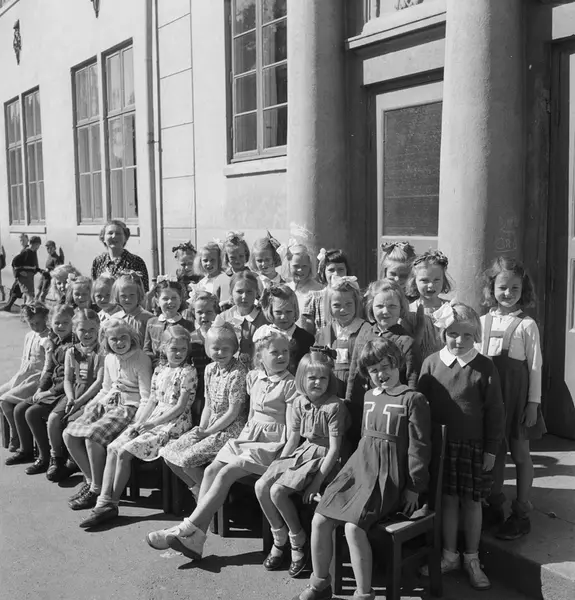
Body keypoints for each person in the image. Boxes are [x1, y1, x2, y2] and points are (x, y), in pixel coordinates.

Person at [292, 338, 431, 600]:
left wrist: (415, 486)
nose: (381, 374)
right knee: (320, 518)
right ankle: (320, 584)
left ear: (398, 364)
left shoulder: (413, 399)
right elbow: (365, 441)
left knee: (353, 527)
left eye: (386, 366)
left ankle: (363, 594)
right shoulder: (368, 397)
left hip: (388, 477)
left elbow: (420, 447)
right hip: (359, 469)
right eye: (374, 370)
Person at [146, 326, 298, 561]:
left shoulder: (290, 384)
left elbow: (291, 429)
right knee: (211, 470)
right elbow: (251, 417)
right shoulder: (254, 378)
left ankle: (186, 529)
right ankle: (197, 538)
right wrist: (239, 441)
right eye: (275, 352)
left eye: (285, 352)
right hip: (249, 438)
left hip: (271, 445)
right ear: (260, 356)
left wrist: (282, 460)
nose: (281, 356)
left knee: (226, 472)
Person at [418, 301, 504, 591]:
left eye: (467, 335)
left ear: (476, 336)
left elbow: (495, 412)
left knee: (471, 502)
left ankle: (472, 558)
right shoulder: (431, 363)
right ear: (443, 333)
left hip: (472, 447)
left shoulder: (485, 366)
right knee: (448, 501)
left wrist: (491, 450)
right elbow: (420, 406)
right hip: (442, 448)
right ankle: (449, 555)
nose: (459, 340)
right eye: (453, 333)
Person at [79, 326, 198, 528]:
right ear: (163, 348)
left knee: (124, 452)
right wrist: (138, 423)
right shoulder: (160, 370)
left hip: (173, 424)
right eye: (174, 349)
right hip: (153, 419)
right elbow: (151, 400)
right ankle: (103, 501)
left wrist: (152, 423)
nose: (178, 353)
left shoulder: (188, 372)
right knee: (113, 447)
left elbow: (180, 407)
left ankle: (111, 504)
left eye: (182, 349)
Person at [256, 349, 350, 578]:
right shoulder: (299, 402)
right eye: (312, 378)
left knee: (278, 491)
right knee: (261, 485)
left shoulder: (334, 407)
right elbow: (293, 439)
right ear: (301, 379)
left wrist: (316, 483)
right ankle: (279, 535)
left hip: (324, 459)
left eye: (323, 378)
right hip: (303, 453)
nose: (317, 382)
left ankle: (297, 540)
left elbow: (335, 450)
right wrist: (279, 464)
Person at [479, 257, 546, 540]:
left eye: (515, 288)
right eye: (502, 287)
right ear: (492, 288)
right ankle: (494, 506)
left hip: (517, 400)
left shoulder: (527, 325)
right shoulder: (482, 322)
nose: (508, 293)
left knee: (520, 454)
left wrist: (533, 404)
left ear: (523, 289)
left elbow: (535, 367)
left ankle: (521, 513)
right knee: (493, 454)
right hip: (491, 400)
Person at [64, 319, 152, 511]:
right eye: (114, 339)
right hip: (109, 403)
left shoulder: (140, 359)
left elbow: (145, 397)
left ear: (131, 337)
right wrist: (90, 406)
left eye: (123, 337)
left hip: (129, 407)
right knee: (68, 433)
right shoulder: (110, 358)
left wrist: (138, 422)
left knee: (92, 436)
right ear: (106, 341)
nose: (119, 342)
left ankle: (96, 489)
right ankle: (91, 481)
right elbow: (106, 389)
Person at [161, 323, 247, 498]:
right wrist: (201, 428)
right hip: (209, 427)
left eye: (225, 348)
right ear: (208, 349)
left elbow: (233, 412)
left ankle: (209, 500)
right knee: (168, 453)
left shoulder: (238, 373)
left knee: (187, 460)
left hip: (229, 431)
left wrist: (208, 432)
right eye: (215, 348)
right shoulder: (210, 369)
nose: (220, 353)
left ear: (234, 348)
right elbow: (208, 404)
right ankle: (199, 491)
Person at [346, 279, 419, 446]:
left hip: (391, 413)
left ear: (401, 308)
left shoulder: (406, 341)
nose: (385, 311)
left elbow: (412, 380)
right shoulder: (364, 335)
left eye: (392, 306)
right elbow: (353, 375)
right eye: (379, 306)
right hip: (363, 408)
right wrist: (350, 405)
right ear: (371, 307)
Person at [9, 304, 75, 475]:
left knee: (32, 413)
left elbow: (70, 378)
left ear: (72, 323)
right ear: (51, 323)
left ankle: (45, 458)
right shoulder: (55, 341)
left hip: (65, 391)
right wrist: (40, 389)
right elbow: (49, 370)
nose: (60, 326)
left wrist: (48, 392)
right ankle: (26, 451)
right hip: (53, 388)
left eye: (65, 323)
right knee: (19, 409)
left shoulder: (73, 345)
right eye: (57, 323)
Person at [46, 309, 104, 482]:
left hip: (92, 395)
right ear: (75, 330)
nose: (87, 334)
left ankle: (75, 462)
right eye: (82, 330)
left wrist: (79, 401)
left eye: (91, 329)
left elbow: (99, 382)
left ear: (98, 328)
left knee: (72, 423)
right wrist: (71, 397)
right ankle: (56, 457)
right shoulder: (72, 351)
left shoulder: (101, 352)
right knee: (53, 419)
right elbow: (68, 379)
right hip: (75, 392)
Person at [0, 302, 50, 454]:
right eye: (31, 323)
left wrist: (41, 385)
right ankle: (12, 431)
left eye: (37, 323)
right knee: (1, 392)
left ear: (45, 319)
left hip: (35, 380)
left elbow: (47, 366)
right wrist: (16, 379)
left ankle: (16, 436)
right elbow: (25, 360)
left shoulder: (48, 338)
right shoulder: (29, 335)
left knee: (5, 400)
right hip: (23, 376)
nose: (35, 327)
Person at [315, 275, 369, 398]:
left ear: (356, 303)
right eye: (337, 305)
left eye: (348, 304)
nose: (343, 309)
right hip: (332, 387)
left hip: (358, 386)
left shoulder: (365, 330)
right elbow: (317, 361)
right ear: (329, 306)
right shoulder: (325, 332)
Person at [403, 250, 452, 361]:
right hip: (420, 366)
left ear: (443, 280)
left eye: (436, 280)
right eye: (424, 280)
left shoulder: (451, 308)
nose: (431, 285)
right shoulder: (409, 312)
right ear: (414, 281)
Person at [213, 270, 268, 367]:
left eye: (249, 292)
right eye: (239, 291)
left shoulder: (264, 319)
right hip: (229, 371)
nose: (244, 296)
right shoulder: (223, 318)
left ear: (256, 293)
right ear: (231, 292)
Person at [260, 283, 314, 375]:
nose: (283, 317)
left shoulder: (306, 338)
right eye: (278, 312)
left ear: (295, 311)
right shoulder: (264, 335)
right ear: (270, 311)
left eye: (288, 312)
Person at [143, 276, 194, 368]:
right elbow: (147, 349)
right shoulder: (151, 323)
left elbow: (189, 351)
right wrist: (156, 363)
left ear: (180, 300)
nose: (170, 301)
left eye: (174, 298)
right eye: (165, 298)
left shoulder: (187, 325)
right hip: (156, 370)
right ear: (157, 301)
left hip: (180, 370)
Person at [301, 248, 351, 336]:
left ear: (347, 271)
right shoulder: (314, 298)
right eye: (331, 270)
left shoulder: (354, 296)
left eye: (340, 269)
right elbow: (307, 333)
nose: (336, 274)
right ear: (323, 272)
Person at [91, 220, 149, 291]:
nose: (114, 236)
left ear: (125, 238)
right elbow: (94, 290)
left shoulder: (136, 261)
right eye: (110, 233)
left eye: (118, 233)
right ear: (103, 238)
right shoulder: (98, 261)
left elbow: (144, 292)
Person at [111, 270, 153, 345]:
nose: (127, 299)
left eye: (132, 295)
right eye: (123, 296)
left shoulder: (148, 319)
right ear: (117, 296)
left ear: (138, 294)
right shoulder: (114, 319)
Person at [282, 243, 324, 317]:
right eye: (296, 266)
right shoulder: (283, 289)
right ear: (288, 265)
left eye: (304, 266)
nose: (300, 270)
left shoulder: (319, 290)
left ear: (310, 266)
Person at [3, 235, 41, 312]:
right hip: (24, 277)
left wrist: (39, 270)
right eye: (38, 245)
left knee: (28, 295)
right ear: (35, 244)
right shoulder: (26, 252)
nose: (38, 247)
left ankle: (25, 311)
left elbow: (32, 265)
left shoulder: (33, 252)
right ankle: (27, 312)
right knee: (29, 295)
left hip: (29, 276)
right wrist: (20, 272)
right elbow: (14, 262)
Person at [193, 241, 231, 307]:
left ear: (219, 260)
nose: (209, 263)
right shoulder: (202, 282)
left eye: (212, 260)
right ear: (200, 261)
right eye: (205, 260)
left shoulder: (224, 279)